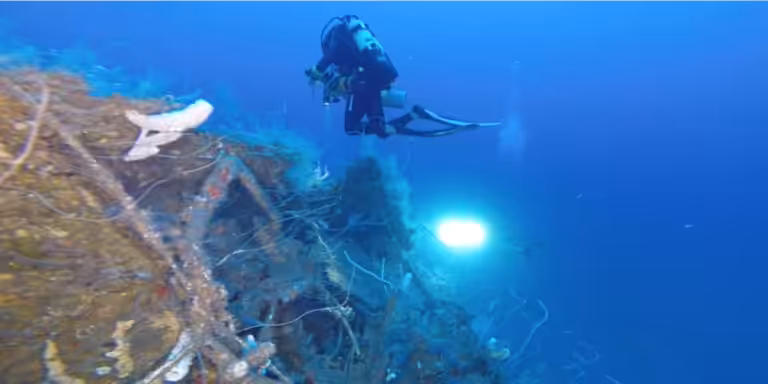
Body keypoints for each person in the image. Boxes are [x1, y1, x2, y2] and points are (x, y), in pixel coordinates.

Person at [305, 15, 501, 139]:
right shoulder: (361, 42)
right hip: (379, 78)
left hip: (366, 83)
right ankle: (414, 115)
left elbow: (328, 60)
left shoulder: (336, 38)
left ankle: (410, 117)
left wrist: (317, 71)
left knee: (352, 128)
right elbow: (359, 70)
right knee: (380, 130)